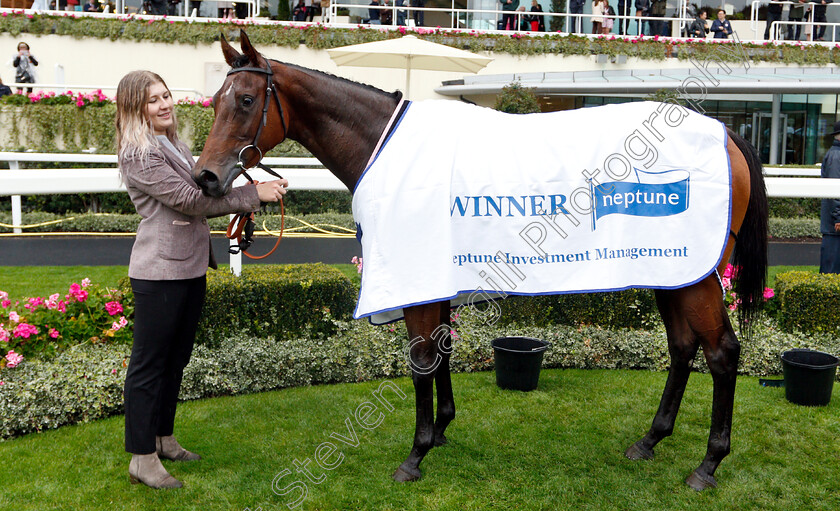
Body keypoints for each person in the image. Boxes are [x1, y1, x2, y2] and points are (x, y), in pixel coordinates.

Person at [115, 70, 288, 489]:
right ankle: (142, 458)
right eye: (153, 100)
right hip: (159, 272)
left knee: (175, 361)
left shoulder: (171, 143)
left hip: (188, 266)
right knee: (149, 366)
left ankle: (164, 438)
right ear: (135, 108)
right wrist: (254, 195)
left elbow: (204, 187)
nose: (164, 104)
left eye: (166, 95)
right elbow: (190, 200)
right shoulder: (138, 153)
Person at [820, 121, 840, 273]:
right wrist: (838, 217)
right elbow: (835, 191)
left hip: (834, 224)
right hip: (835, 226)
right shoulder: (836, 156)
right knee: (831, 272)